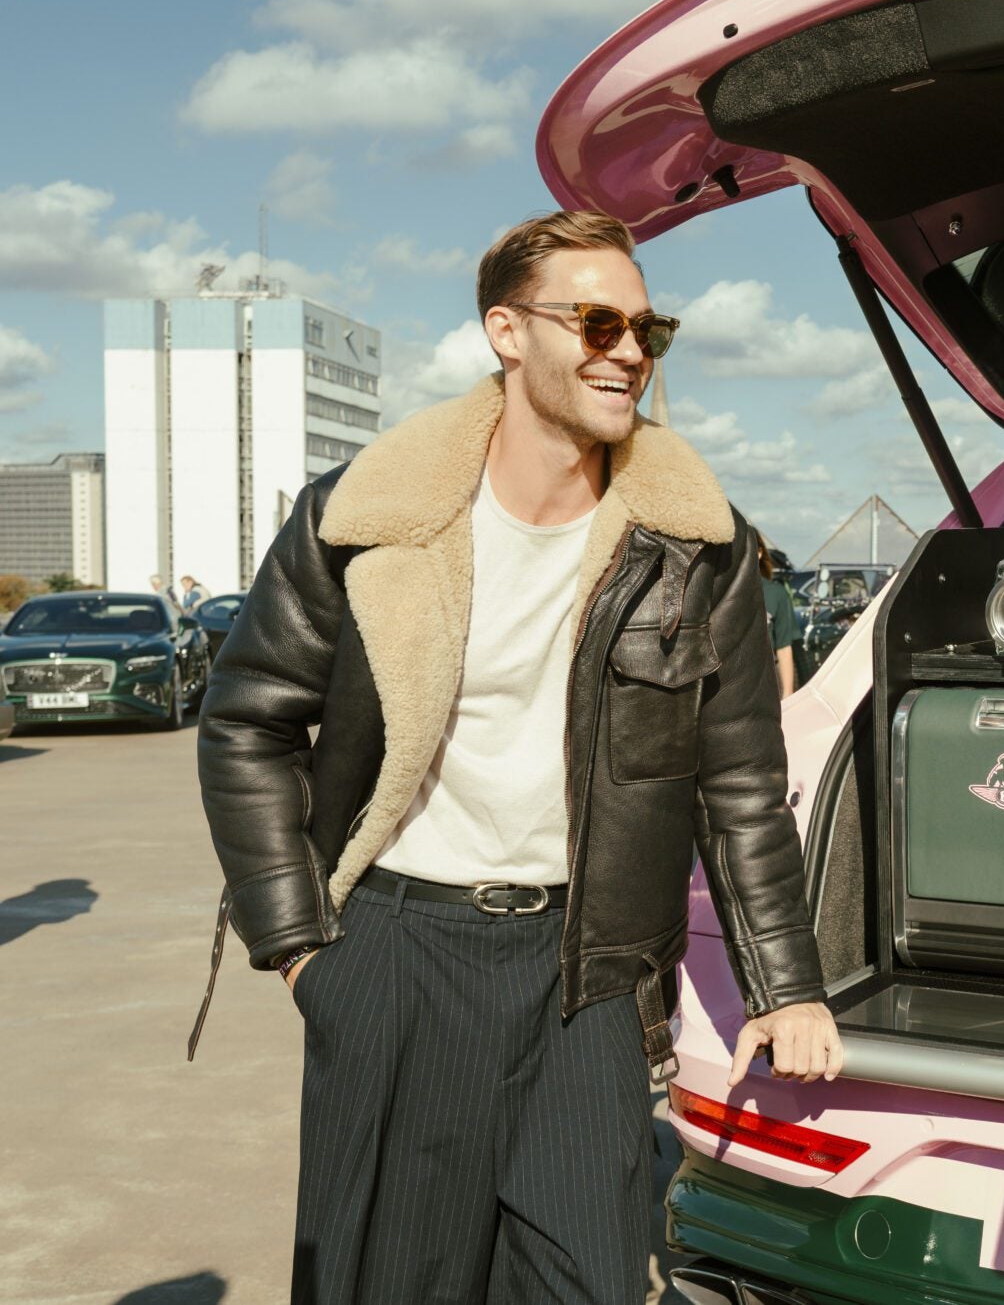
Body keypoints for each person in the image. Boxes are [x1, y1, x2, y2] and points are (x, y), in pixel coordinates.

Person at [193, 209, 841, 1305]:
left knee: (586, 1279)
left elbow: (736, 779)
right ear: (505, 331)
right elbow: (246, 722)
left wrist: (785, 983)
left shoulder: (694, 545)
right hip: (400, 951)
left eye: (647, 328)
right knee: (395, 1280)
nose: (628, 351)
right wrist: (303, 948)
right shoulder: (365, 520)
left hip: (586, 974)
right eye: (595, 322)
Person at [759, 541, 801, 697]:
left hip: (766, 683)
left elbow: (784, 647)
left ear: (759, 552)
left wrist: (788, 694)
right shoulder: (719, 592)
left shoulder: (775, 593)